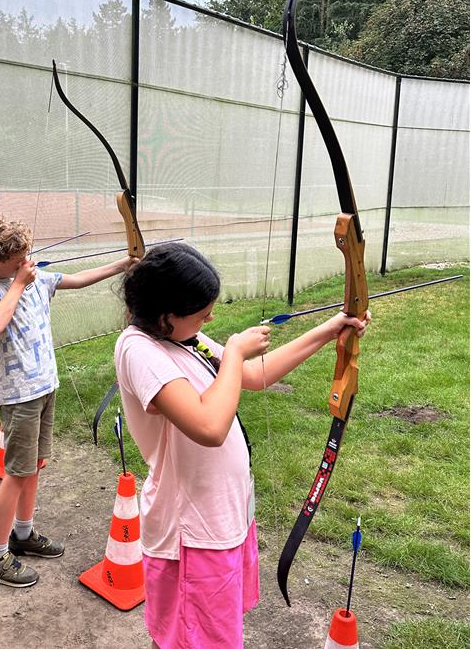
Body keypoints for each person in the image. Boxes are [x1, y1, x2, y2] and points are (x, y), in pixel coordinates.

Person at [114, 243, 370, 648]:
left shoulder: (183, 337)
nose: (210, 318)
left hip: (220, 515)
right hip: (190, 533)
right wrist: (233, 352)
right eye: (202, 313)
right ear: (166, 317)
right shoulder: (139, 350)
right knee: (193, 638)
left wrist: (331, 329)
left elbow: (252, 375)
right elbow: (209, 426)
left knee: (203, 634)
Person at [0, 215, 137, 588]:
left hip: (45, 386)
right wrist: (18, 283)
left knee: (34, 466)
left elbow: (76, 279)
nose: (27, 262)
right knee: (15, 474)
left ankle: (23, 534)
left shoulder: (34, 278)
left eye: (26, 255)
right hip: (18, 394)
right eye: (18, 259)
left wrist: (123, 264)